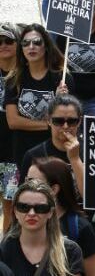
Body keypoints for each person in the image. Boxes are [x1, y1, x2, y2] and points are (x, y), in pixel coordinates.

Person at [5, 24, 73, 174]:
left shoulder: (62, 78)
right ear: (21, 49)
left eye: (37, 42)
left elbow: (67, 122)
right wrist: (49, 125)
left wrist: (59, 101)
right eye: (26, 43)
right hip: (22, 152)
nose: (31, 47)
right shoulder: (14, 79)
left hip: (53, 152)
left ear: (46, 46)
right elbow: (13, 121)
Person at [25, 157, 95, 276]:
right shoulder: (21, 221)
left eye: (33, 182)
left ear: (54, 189)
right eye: (26, 181)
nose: (26, 187)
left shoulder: (80, 227)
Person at [0, 179, 83, 276]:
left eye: (40, 208)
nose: (31, 213)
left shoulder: (70, 251)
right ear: (15, 211)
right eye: (23, 207)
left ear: (50, 212)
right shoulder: (4, 249)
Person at [0, 23, 19, 233]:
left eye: (8, 41)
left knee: (11, 207)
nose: (3, 45)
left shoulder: (26, 74)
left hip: (13, 152)